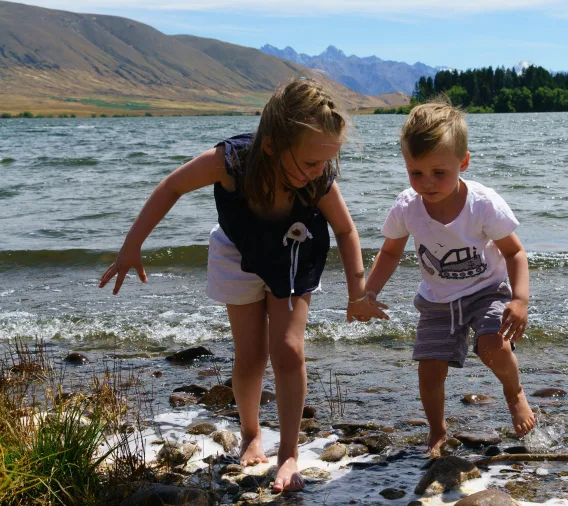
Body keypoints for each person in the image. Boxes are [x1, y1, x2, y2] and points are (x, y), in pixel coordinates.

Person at [99, 78, 388, 492]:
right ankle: (252, 433)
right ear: (270, 145)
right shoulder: (231, 162)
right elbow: (173, 185)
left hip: (294, 249)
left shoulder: (318, 178)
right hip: (237, 252)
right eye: (309, 163)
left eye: (326, 162)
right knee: (250, 353)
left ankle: (289, 453)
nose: (319, 173)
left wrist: (357, 291)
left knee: (287, 348)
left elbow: (345, 230)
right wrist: (132, 245)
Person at [364, 100, 535, 457]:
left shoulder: (483, 204)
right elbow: (391, 252)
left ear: (464, 163)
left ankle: (514, 393)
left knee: (492, 346)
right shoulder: (407, 207)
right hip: (437, 299)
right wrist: (369, 291)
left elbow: (515, 252)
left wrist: (519, 300)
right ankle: (437, 429)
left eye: (438, 172)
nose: (426, 183)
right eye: (416, 172)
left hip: (486, 290)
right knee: (429, 370)